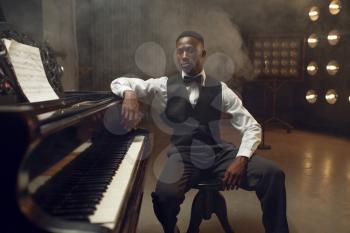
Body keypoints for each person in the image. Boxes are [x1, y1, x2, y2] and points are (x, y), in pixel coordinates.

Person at [110, 31, 289, 233]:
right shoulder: (163, 85)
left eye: (190, 50)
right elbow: (120, 81)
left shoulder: (220, 89)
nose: (184, 56)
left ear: (203, 54)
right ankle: (172, 230)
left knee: (273, 174)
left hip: (219, 154)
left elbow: (252, 126)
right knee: (163, 196)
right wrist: (130, 93)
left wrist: (241, 158)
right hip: (183, 155)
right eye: (179, 51)